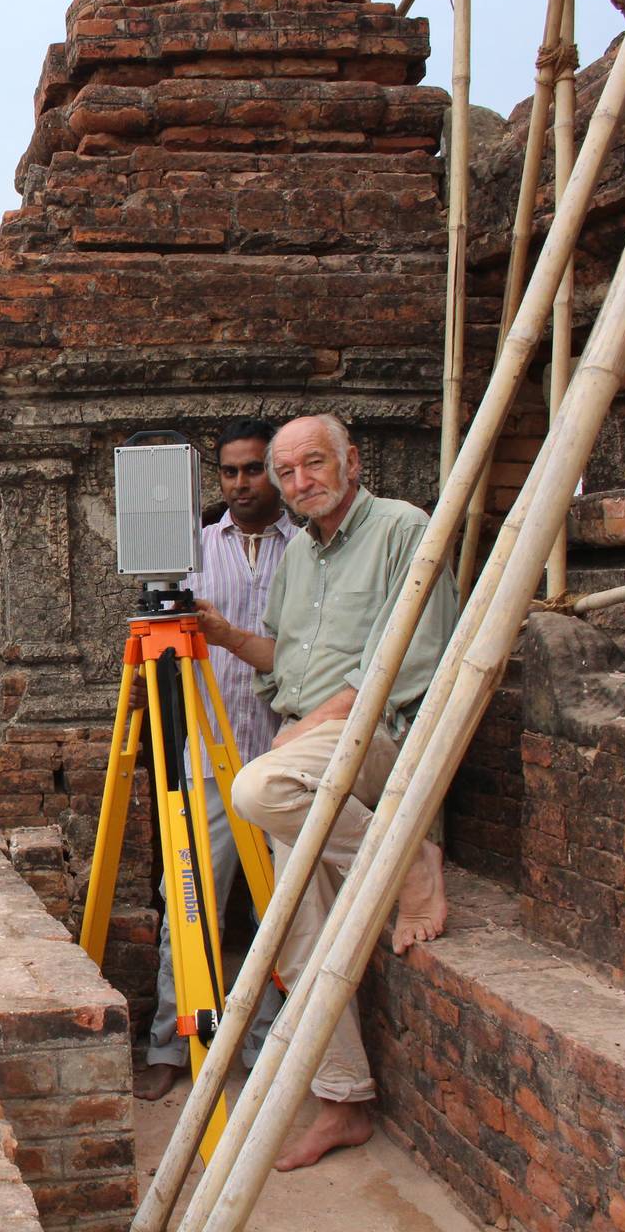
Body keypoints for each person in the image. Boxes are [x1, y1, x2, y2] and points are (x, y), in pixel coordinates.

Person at [195, 413, 455, 1172]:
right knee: (300, 924)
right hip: (312, 744)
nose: (300, 481)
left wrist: (314, 724)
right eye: (289, 472)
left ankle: (406, 863)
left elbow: (410, 659)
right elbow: (283, 655)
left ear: (352, 461)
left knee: (256, 787)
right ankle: (343, 1098)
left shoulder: (405, 530)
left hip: (381, 738)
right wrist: (227, 637)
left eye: (314, 464)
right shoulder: (300, 557)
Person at [137, 418, 294, 1103]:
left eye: (253, 470)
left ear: (277, 474)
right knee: (190, 903)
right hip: (207, 752)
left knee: (277, 913)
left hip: (286, 753)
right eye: (229, 472)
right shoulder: (194, 549)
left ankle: (260, 1052)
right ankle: (173, 1041)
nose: (240, 484)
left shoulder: (308, 551)